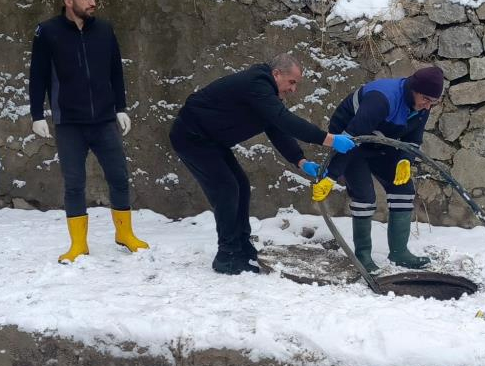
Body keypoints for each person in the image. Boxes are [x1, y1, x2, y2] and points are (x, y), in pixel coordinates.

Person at [170, 54, 356, 275]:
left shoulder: (265, 94)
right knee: (227, 189)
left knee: (240, 184)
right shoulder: (255, 84)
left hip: (212, 142)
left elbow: (278, 129)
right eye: (292, 82)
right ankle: (227, 255)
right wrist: (330, 140)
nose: (293, 89)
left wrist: (300, 160)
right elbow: (285, 120)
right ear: (276, 74)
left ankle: (242, 247)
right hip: (192, 137)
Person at [29, 0, 147, 263]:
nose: (92, 2)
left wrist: (121, 107)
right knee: (74, 184)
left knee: (119, 177)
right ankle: (78, 244)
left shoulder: (104, 30)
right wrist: (37, 114)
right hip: (69, 123)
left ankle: (124, 234)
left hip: (105, 120)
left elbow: (115, 71)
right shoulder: (48, 31)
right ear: (68, 1)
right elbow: (38, 75)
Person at [311, 67, 445, 272]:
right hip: (349, 142)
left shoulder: (422, 107)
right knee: (364, 196)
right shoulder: (382, 99)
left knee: (403, 189)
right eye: (426, 99)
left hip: (380, 143)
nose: (427, 106)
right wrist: (331, 175)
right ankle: (363, 255)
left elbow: (412, 140)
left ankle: (400, 253)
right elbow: (351, 137)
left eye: (432, 102)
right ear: (413, 90)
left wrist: (405, 161)